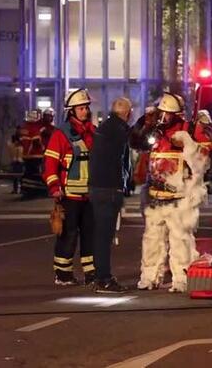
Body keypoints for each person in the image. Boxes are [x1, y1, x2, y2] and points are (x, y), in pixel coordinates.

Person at [130, 93, 210, 292]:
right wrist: (143, 122)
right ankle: (149, 277)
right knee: (151, 240)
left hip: (179, 198)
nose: (164, 118)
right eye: (162, 113)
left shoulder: (190, 129)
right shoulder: (154, 129)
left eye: (169, 114)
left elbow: (206, 158)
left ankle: (181, 278)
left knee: (180, 240)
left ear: (178, 114)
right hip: (155, 195)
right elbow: (135, 141)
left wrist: (189, 145)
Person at [43, 89, 97, 286]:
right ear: (72, 111)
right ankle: (63, 275)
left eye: (86, 108)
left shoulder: (92, 132)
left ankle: (92, 273)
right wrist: (54, 187)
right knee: (68, 235)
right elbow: (50, 164)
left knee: (91, 235)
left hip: (89, 196)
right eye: (81, 108)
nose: (85, 111)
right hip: (69, 195)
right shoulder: (61, 134)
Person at [88, 97, 133, 293]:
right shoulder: (119, 130)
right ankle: (103, 279)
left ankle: (100, 276)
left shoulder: (105, 127)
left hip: (98, 187)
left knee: (101, 235)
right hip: (108, 189)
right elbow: (130, 148)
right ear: (128, 113)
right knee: (104, 236)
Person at [19, 109, 48, 199]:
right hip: (35, 155)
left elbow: (22, 141)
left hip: (28, 155)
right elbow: (36, 141)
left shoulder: (25, 127)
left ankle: (29, 191)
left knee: (29, 174)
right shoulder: (36, 127)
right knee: (35, 174)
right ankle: (36, 191)